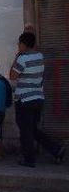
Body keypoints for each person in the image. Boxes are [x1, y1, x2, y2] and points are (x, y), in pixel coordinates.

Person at [10, 32, 66, 167]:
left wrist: (16, 57)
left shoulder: (22, 59)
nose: (18, 45)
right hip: (38, 98)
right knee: (32, 129)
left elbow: (12, 76)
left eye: (19, 43)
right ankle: (56, 149)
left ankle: (29, 160)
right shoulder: (40, 56)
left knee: (25, 131)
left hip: (24, 100)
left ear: (24, 44)